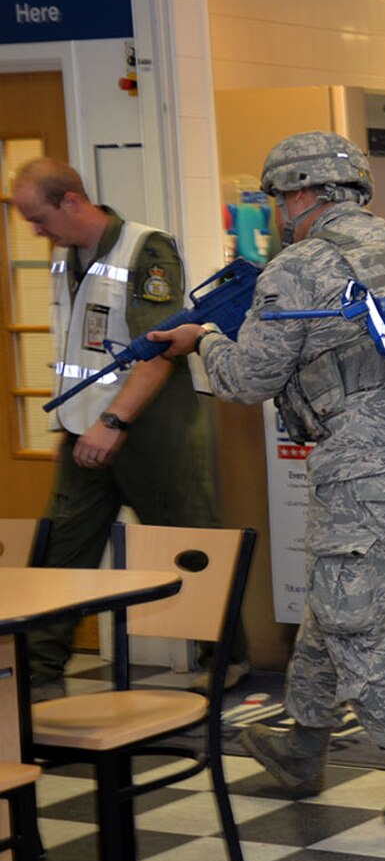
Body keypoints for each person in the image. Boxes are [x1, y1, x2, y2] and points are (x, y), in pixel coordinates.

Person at [149, 132, 385, 830]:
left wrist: (204, 340)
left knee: (355, 622)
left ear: (304, 193)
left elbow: (248, 381)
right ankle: (304, 747)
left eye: (281, 197)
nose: (279, 211)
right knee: (338, 607)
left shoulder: (299, 267)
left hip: (372, 471)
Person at [10, 158, 239, 701]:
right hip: (84, 429)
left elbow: (159, 347)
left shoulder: (146, 250)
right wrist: (74, 426)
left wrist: (114, 422)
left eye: (39, 218)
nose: (36, 232)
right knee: (61, 547)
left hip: (153, 427)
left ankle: (227, 657)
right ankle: (41, 675)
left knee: (186, 542)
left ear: (71, 200)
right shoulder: (67, 258)